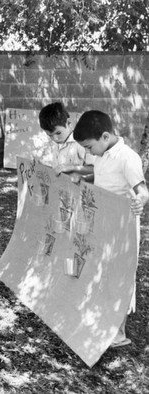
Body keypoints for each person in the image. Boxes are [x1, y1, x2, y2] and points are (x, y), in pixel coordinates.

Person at [73, 110, 149, 348]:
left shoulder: (128, 158)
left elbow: (142, 190)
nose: (87, 152)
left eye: (88, 147)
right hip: (104, 220)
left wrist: (141, 200)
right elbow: (99, 174)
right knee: (102, 270)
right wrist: (76, 173)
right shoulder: (102, 153)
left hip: (122, 227)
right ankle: (103, 318)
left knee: (119, 275)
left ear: (105, 136)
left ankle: (118, 333)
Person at [38, 102, 95, 181]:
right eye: (50, 135)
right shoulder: (57, 143)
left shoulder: (81, 143)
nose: (55, 139)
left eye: (58, 133)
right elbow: (57, 169)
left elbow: (95, 169)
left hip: (80, 188)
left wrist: (71, 168)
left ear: (68, 123)